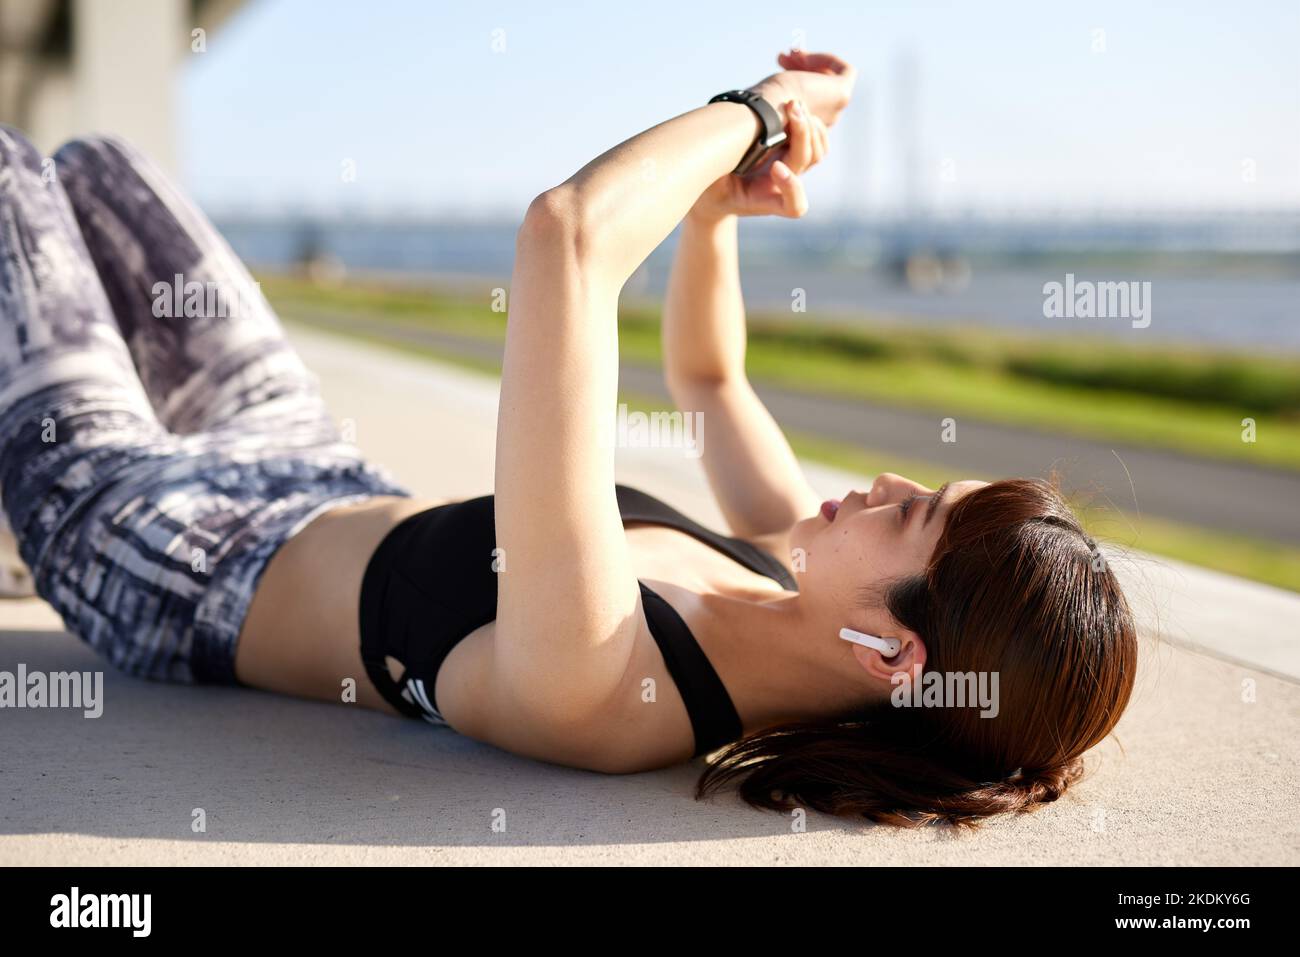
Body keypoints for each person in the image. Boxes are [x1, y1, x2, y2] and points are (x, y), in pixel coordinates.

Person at [0, 50, 1136, 828]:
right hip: (308, 462)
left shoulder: (607, 682)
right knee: (98, 169)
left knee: (11, 172)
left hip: (166, 552)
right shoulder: (782, 569)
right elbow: (707, 374)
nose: (880, 484)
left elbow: (567, 238)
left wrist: (751, 107)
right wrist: (714, 215)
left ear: (892, 658)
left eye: (913, 515)